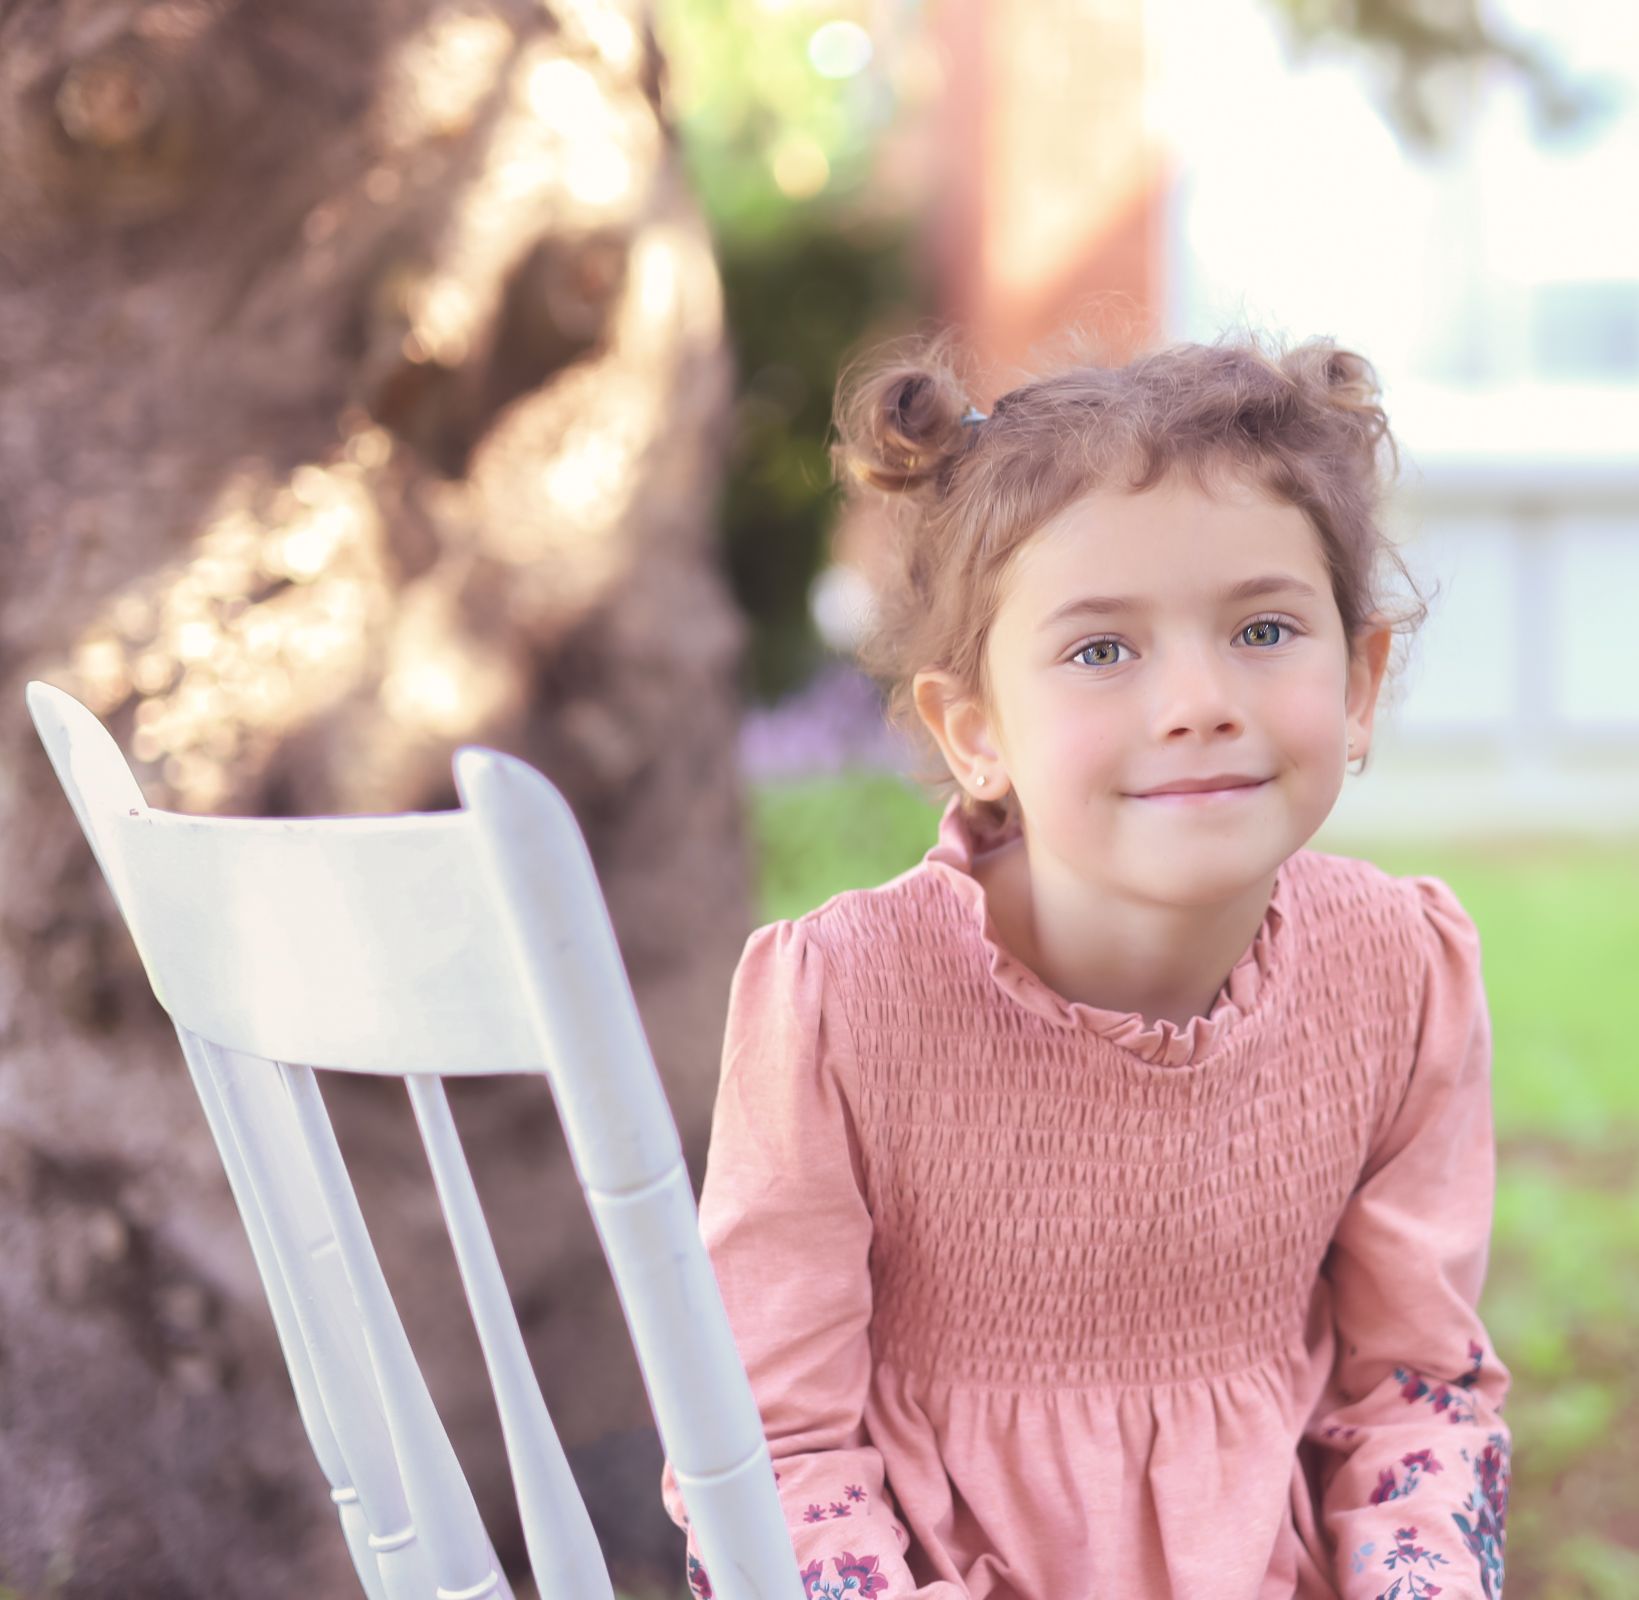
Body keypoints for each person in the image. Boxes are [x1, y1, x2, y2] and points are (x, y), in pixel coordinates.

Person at [659, 329, 1511, 1600]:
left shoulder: (1398, 973)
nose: (1197, 701)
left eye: (1266, 629)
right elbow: (772, 1446)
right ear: (975, 730)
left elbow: (1414, 1389)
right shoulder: (845, 1002)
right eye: (1101, 650)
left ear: (1359, 682)